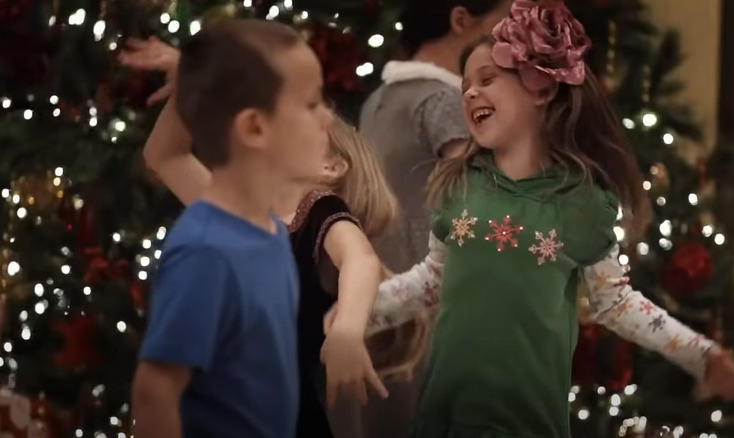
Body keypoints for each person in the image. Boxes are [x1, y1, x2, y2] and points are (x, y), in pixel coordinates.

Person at [338, 2, 734, 437]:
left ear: (540, 89)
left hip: (527, 422)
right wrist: (349, 318)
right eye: (464, 86)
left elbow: (617, 304)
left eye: (487, 79)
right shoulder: (458, 185)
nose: (470, 94)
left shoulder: (583, 204)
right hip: (445, 419)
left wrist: (698, 354)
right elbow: (431, 280)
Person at [120, 35, 428, 438]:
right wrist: (189, 86)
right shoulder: (235, 212)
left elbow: (360, 260)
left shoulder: (320, 210)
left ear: (332, 166)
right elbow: (165, 156)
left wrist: (347, 331)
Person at [131, 19, 332, 438]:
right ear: (254, 128)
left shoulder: (271, 231)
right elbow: (155, 390)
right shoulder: (207, 251)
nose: (328, 118)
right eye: (312, 104)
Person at [358, 3, 510, 437]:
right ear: (461, 21)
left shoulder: (380, 100)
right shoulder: (444, 99)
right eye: (504, 23)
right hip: (431, 312)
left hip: (379, 301)